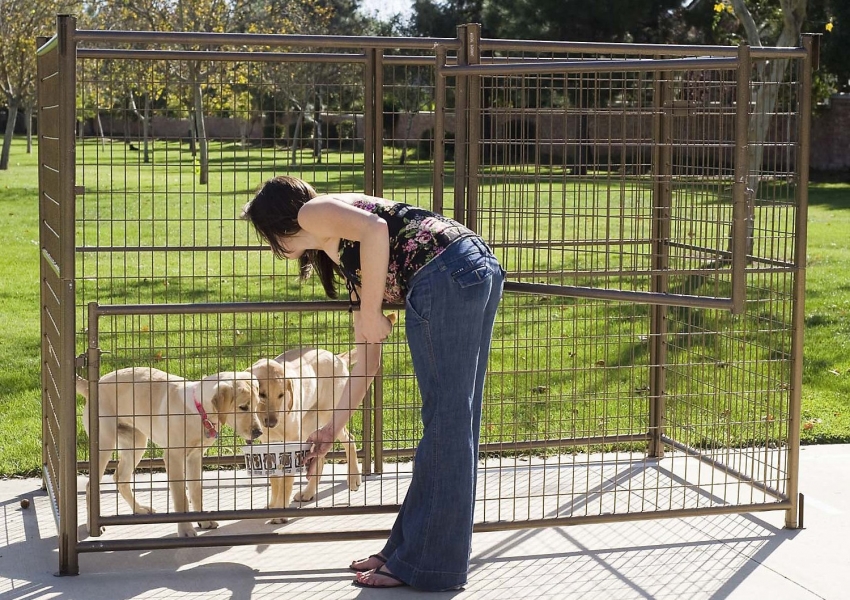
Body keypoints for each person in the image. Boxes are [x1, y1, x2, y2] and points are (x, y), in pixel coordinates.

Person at [242, 175, 505, 591]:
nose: (273, 248)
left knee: (447, 424)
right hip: (468, 267)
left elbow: (376, 228)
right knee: (454, 423)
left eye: (268, 236)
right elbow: (366, 361)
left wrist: (369, 313)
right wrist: (330, 430)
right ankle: (405, 551)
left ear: (281, 220)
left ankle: (430, 565)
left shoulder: (313, 210)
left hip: (445, 273)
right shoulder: (353, 263)